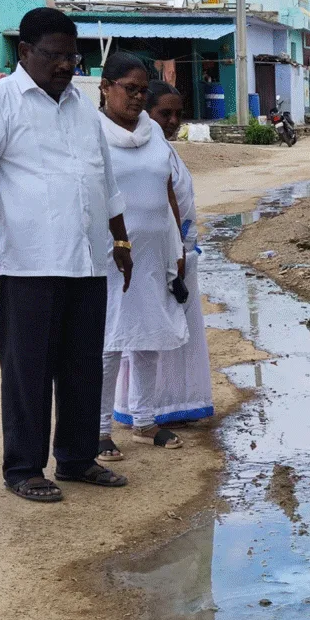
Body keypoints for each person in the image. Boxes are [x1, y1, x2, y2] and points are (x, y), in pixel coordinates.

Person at [0, 7, 132, 501]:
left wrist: (119, 240)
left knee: (82, 365)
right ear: (25, 53)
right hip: (26, 264)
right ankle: (24, 468)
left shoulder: (82, 108)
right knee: (26, 370)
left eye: (71, 57)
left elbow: (105, 181)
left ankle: (77, 458)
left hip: (85, 261)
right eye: (53, 56)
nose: (64, 66)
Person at [96, 54, 190, 458]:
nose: (136, 97)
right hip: (110, 255)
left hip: (153, 253)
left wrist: (178, 246)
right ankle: (98, 430)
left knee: (148, 335)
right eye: (129, 89)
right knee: (109, 342)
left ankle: (145, 420)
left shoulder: (153, 135)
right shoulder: (92, 134)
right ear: (105, 88)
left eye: (141, 90)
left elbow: (167, 190)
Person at [112, 81, 214, 430]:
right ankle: (144, 409)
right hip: (153, 255)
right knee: (143, 333)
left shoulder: (164, 149)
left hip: (179, 253)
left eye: (177, 114)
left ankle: (178, 402)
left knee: (175, 332)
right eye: (163, 113)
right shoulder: (139, 150)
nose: (171, 121)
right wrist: (175, 250)